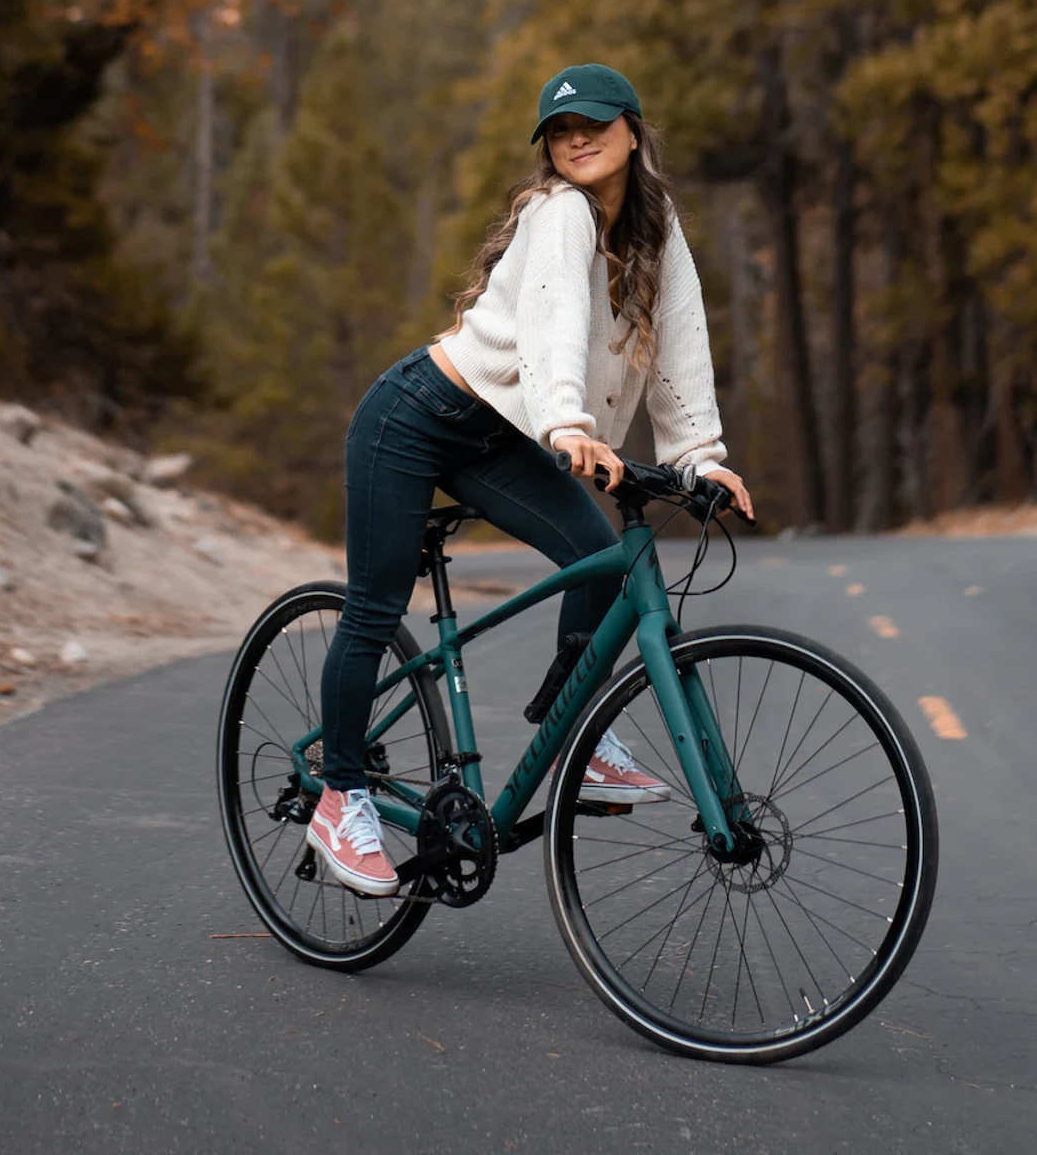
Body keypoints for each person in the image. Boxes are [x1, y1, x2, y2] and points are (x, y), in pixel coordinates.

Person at [307, 63, 754, 896]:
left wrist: (701, 458)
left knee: (599, 556)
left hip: (497, 436)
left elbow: (680, 348)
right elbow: (554, 321)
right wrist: (568, 427)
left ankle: (571, 731)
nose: (575, 139)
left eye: (591, 122)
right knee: (373, 608)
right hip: (413, 418)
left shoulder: (658, 231)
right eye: (558, 131)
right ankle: (340, 795)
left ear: (631, 128)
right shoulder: (559, 214)